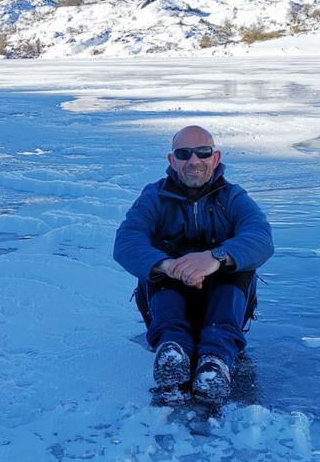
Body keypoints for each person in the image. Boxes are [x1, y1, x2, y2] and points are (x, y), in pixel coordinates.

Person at [113, 125, 274, 402]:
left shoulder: (233, 197)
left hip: (223, 302)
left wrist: (215, 258)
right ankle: (173, 351)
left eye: (203, 153)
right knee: (155, 259)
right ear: (172, 160)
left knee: (241, 261)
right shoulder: (154, 197)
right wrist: (166, 265)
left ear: (216, 157)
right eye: (184, 154)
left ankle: (216, 359)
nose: (194, 161)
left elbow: (261, 238)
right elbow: (127, 242)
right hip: (170, 302)